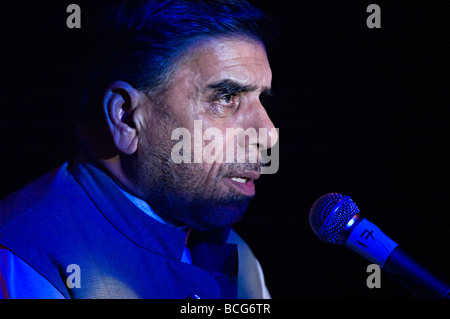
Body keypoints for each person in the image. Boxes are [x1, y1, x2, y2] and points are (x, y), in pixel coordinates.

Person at [0, 0, 278, 299]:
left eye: (262, 99)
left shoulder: (237, 253)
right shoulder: (26, 257)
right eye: (226, 97)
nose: (268, 134)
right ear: (126, 118)